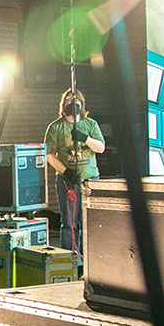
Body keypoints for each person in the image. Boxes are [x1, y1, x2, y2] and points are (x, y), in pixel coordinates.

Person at [43, 89, 104, 252]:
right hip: (67, 181)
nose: (73, 105)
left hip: (90, 180)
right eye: (69, 102)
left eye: (76, 102)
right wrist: (67, 172)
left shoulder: (91, 124)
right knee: (69, 223)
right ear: (64, 105)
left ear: (82, 105)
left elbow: (101, 148)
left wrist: (85, 138)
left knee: (88, 222)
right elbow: (49, 155)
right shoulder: (56, 127)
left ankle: (88, 261)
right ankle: (69, 259)